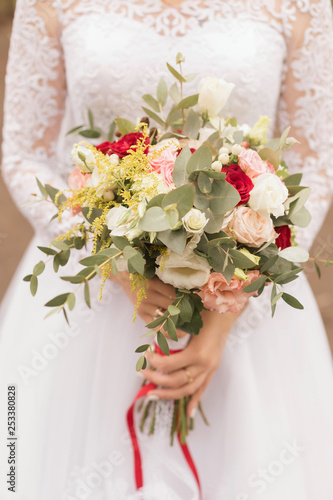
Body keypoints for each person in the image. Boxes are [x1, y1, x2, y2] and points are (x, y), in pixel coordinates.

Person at [1, 0, 333, 499]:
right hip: (94, 295)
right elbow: (23, 154)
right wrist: (108, 253)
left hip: (246, 302)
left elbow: (316, 163)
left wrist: (224, 313)